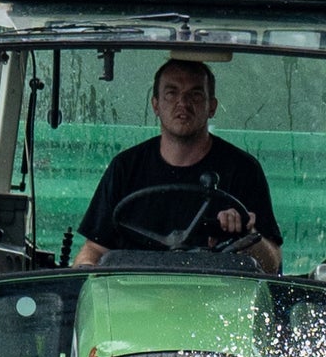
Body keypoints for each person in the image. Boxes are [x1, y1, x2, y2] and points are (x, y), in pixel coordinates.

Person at [72, 58, 281, 272]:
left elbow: (272, 265)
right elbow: (94, 249)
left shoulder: (243, 170)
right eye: (171, 93)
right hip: (133, 295)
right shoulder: (125, 168)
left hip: (217, 296)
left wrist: (246, 234)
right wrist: (84, 271)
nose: (182, 103)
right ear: (155, 105)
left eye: (195, 94)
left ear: (212, 107)